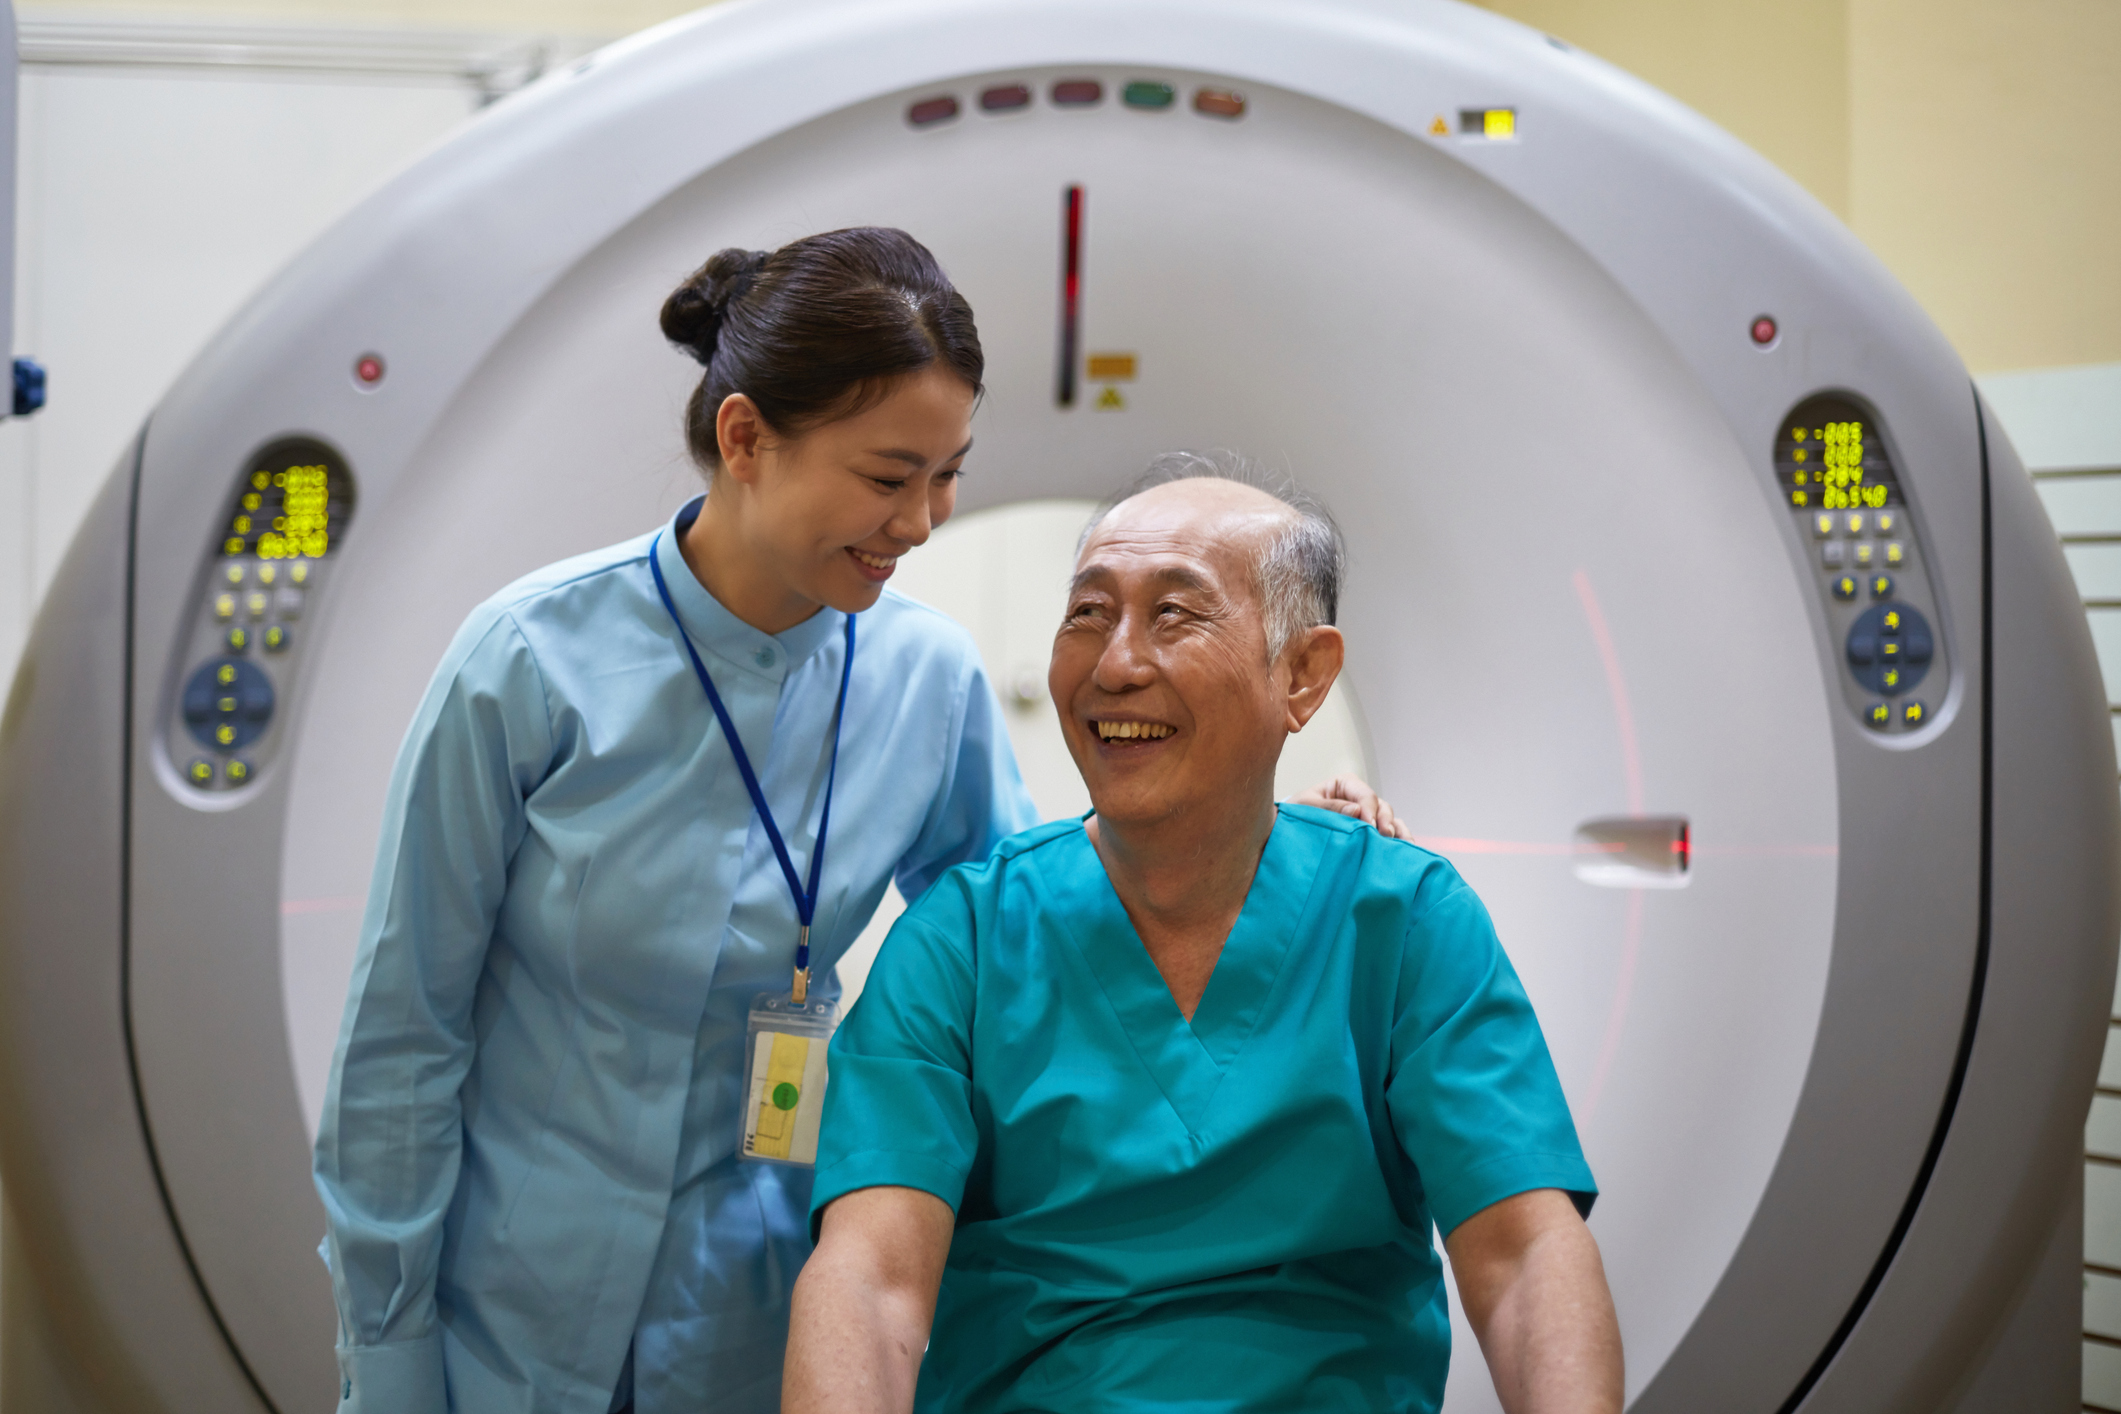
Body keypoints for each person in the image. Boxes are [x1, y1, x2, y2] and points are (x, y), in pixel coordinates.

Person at [314, 232, 1402, 1414]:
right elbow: (401, 1044)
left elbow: (1043, 931)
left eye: (949, 476)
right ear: (744, 440)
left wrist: (1292, 844)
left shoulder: (924, 677)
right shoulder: (527, 661)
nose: (925, 521)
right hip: (506, 1322)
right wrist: (390, 1358)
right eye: (889, 478)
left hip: (757, 1314)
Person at [787, 452, 1623, 1414]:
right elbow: (869, 1281)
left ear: (1303, 676)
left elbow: (1523, 1256)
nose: (1115, 664)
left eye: (1174, 615)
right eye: (1088, 614)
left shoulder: (1401, 918)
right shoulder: (965, 939)